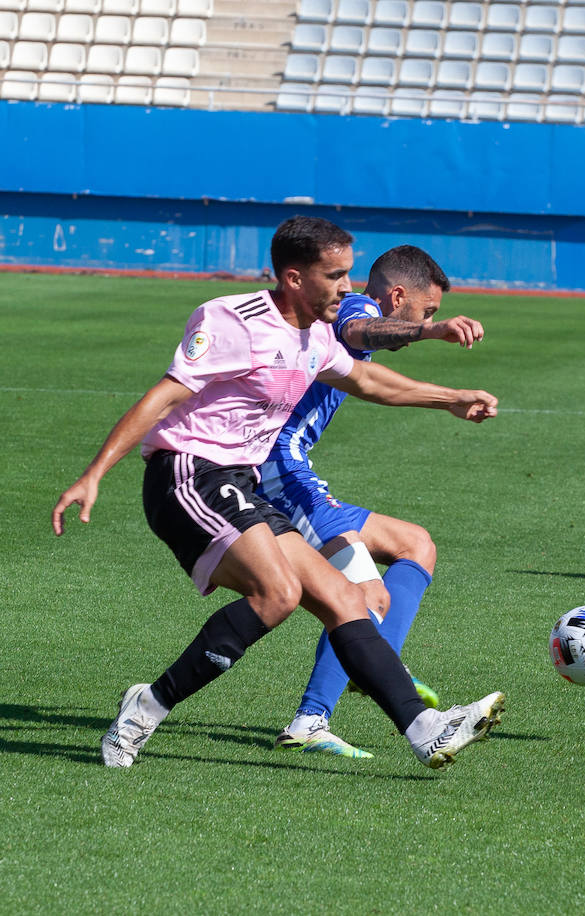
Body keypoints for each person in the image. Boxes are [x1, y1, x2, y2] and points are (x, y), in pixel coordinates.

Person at [52, 216, 506, 769]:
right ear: (294, 278)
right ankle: (147, 708)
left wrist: (449, 398)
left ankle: (426, 729)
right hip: (187, 473)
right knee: (279, 594)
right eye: (335, 275)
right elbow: (164, 397)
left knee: (343, 599)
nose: (346, 286)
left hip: (241, 483)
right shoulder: (231, 320)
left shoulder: (316, 334)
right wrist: (95, 472)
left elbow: (364, 380)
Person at [260, 244, 484, 758]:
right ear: (398, 296)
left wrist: (448, 398)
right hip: (279, 471)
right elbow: (359, 332)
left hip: (290, 468)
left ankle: (371, 665)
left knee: (416, 544)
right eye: (427, 310)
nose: (430, 319)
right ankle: (332, 705)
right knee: (365, 599)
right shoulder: (359, 310)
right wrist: (430, 331)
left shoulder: (351, 318)